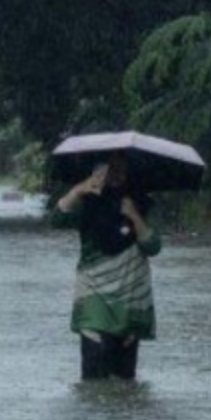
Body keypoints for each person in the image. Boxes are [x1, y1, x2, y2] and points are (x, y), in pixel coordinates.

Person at [50, 156, 159, 380]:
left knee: (125, 384)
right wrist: (77, 191)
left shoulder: (141, 203)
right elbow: (56, 219)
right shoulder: (87, 205)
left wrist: (133, 215)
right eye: (110, 168)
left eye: (121, 168)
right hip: (94, 304)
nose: (116, 174)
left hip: (130, 304)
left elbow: (153, 246)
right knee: (93, 384)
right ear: (99, 172)